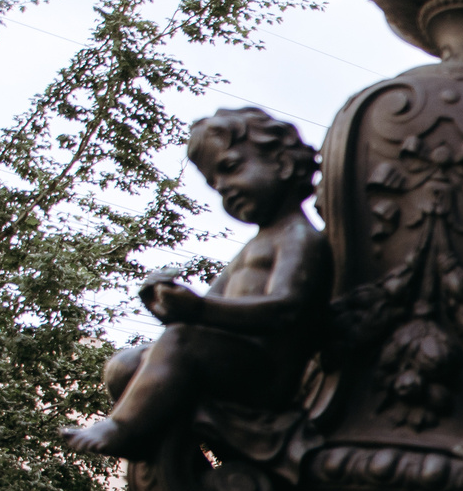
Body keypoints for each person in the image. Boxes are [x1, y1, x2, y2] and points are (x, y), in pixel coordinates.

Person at [69, 108, 332, 459]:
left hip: (266, 375)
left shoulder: (298, 237)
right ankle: (171, 460)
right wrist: (173, 306)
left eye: (229, 168)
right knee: (127, 364)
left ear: (283, 164)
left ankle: (125, 429)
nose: (223, 187)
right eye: (213, 183)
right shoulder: (252, 248)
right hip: (229, 362)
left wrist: (199, 310)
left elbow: (286, 307)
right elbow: (209, 311)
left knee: (182, 342)